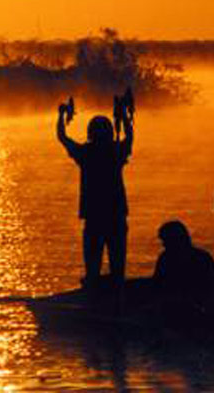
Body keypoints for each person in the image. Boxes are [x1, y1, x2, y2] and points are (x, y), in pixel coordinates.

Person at [57, 98, 134, 288]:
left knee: (92, 268)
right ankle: (117, 297)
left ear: (90, 133)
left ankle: (93, 297)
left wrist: (61, 115)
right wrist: (124, 116)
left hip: (94, 217)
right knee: (118, 268)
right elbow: (130, 137)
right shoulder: (117, 151)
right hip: (116, 216)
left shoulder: (85, 153)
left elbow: (62, 136)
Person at [153, 220, 214, 305]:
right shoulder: (203, 257)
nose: (163, 244)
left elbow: (157, 284)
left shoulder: (165, 258)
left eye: (165, 240)